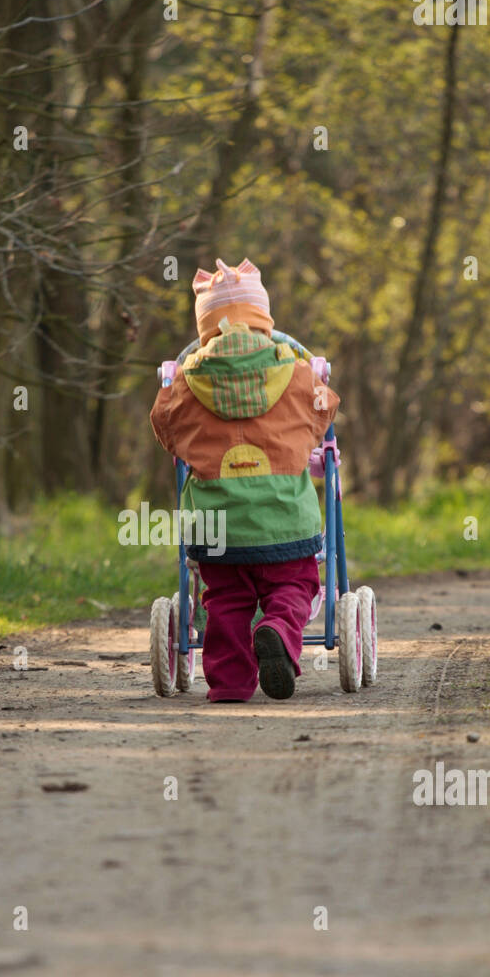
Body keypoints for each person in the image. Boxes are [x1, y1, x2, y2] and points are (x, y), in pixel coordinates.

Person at [150, 257, 339, 702]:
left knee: (227, 600)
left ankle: (231, 684)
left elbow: (165, 428)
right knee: (295, 586)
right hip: (284, 522)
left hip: (217, 530)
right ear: (264, 320)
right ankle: (276, 628)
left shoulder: (185, 382)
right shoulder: (295, 373)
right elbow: (324, 408)